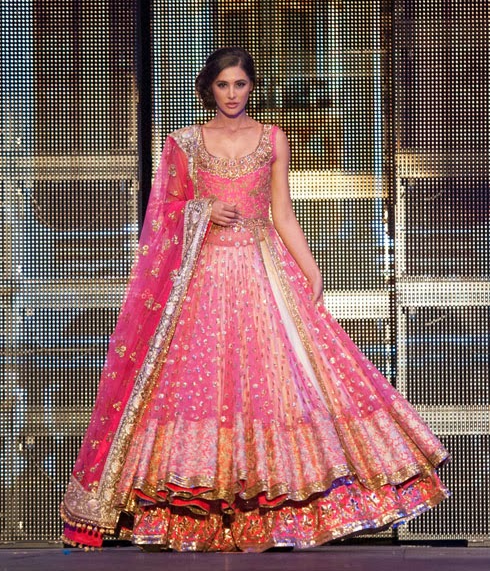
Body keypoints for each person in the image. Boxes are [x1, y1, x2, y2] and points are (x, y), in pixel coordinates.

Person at [60, 47, 449, 552]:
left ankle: (276, 514)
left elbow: (282, 212)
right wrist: (201, 209)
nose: (232, 94)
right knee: (201, 384)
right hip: (203, 279)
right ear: (209, 89)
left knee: (279, 382)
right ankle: (198, 514)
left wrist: (311, 268)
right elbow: (161, 214)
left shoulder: (272, 138)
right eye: (223, 85)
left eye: (240, 84)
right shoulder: (184, 143)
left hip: (265, 274)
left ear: (251, 87)